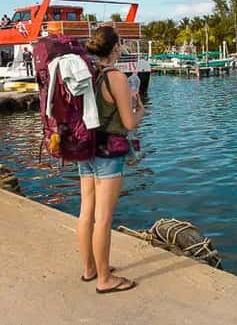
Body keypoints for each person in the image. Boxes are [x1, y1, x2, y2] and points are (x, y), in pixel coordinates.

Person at [77, 26, 144, 294]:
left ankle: (90, 268)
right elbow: (128, 123)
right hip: (108, 154)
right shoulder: (116, 77)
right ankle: (105, 280)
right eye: (120, 43)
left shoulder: (90, 74)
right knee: (103, 218)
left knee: (86, 212)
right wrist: (141, 110)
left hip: (86, 149)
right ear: (115, 47)